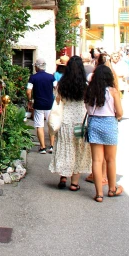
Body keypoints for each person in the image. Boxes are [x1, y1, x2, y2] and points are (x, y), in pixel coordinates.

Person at [49, 56, 92, 190]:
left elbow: (58, 100)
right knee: (78, 151)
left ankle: (63, 177)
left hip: (65, 122)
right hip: (80, 123)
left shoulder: (62, 85)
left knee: (65, 149)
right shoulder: (85, 86)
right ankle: (74, 183)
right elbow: (88, 103)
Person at [84, 64, 123, 202]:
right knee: (110, 159)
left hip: (94, 123)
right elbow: (120, 112)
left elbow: (87, 110)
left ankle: (99, 194)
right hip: (109, 123)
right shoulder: (113, 92)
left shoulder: (89, 91)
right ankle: (112, 189)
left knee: (96, 160)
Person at [27, 58, 56, 154]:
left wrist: (30, 100)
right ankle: (51, 146)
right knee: (51, 125)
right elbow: (57, 87)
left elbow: (28, 91)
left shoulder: (33, 77)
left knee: (39, 125)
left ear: (36, 67)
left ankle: (42, 147)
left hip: (38, 104)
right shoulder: (51, 77)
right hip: (50, 104)